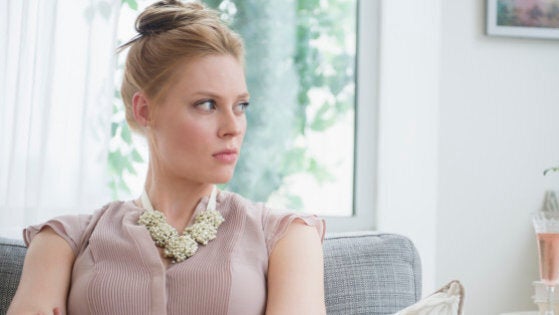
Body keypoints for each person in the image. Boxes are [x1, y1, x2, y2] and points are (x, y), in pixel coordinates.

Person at [7, 1, 326, 314]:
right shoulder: (64, 240)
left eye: (240, 106)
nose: (233, 127)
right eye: (207, 105)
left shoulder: (288, 237)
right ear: (145, 110)